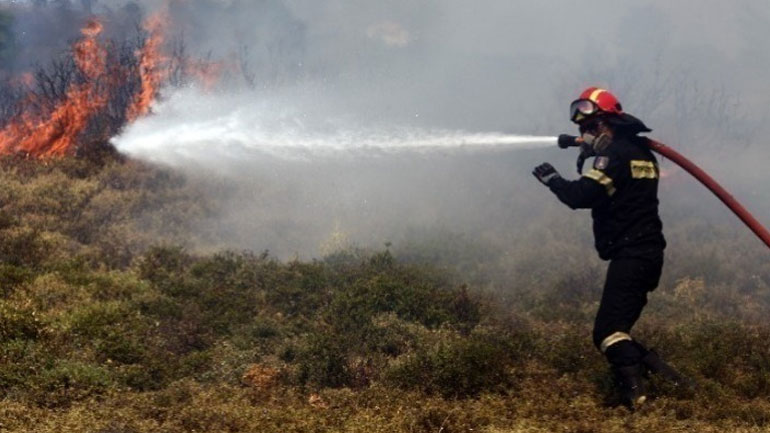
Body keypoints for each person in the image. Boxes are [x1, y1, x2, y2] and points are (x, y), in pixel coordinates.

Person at [532, 87, 687, 409]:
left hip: (633, 254)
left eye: (592, 127)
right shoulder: (639, 152)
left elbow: (580, 196)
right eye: (583, 129)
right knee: (617, 330)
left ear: (610, 123)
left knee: (607, 332)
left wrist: (552, 179)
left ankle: (636, 399)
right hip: (645, 254)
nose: (586, 134)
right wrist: (589, 153)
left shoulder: (614, 155)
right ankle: (677, 384)